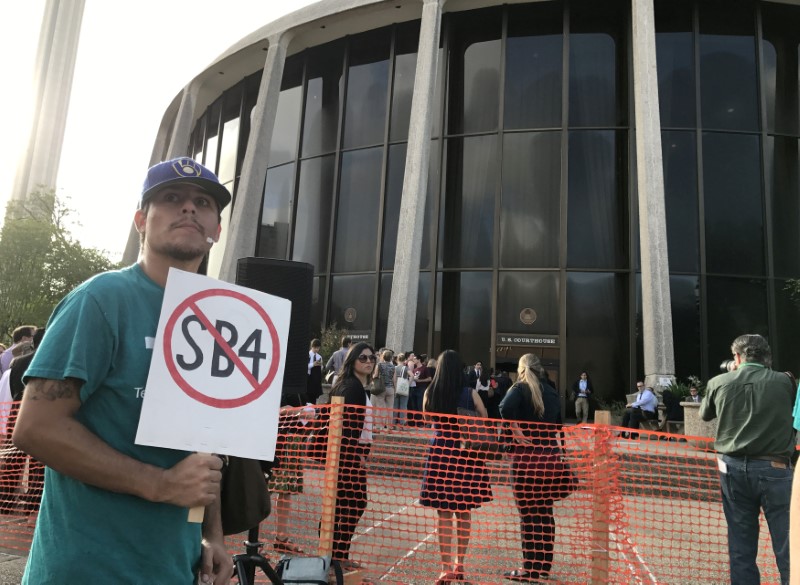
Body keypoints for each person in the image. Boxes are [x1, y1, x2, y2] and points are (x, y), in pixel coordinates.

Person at [12, 157, 232, 584]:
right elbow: (36, 427)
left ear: (217, 230)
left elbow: (205, 451)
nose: (189, 208)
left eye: (203, 202)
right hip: (86, 571)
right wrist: (161, 484)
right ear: (141, 221)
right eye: (171, 198)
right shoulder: (100, 299)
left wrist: (213, 535)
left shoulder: (218, 318)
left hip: (173, 569)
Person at [701, 334, 794, 585]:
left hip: (731, 468)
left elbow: (705, 414)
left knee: (741, 543)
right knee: (788, 544)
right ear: (767, 358)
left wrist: (733, 373)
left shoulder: (719, 381)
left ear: (737, 357)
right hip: (775, 468)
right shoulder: (786, 382)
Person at [420, 350, 492, 585]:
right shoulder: (469, 393)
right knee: (463, 510)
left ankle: (444, 567)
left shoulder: (431, 391)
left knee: (443, 512)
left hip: (441, 449)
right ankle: (460, 564)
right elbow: (484, 416)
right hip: (465, 452)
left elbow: (425, 418)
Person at [499, 353, 565, 582]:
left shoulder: (519, 389)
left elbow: (504, 407)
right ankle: (543, 567)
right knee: (545, 513)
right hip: (550, 460)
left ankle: (530, 568)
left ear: (521, 369)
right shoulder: (553, 392)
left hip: (526, 461)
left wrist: (514, 427)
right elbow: (558, 424)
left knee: (528, 515)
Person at [328, 341, 376, 571]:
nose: (368, 361)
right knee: (353, 503)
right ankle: (336, 556)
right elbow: (347, 426)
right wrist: (357, 454)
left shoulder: (352, 385)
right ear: (352, 360)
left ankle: (336, 555)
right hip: (346, 455)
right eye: (363, 358)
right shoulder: (351, 387)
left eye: (371, 358)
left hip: (345, 453)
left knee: (341, 504)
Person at [270, 403, 315, 555]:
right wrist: (296, 411)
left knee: (286, 491)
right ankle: (255, 542)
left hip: (294, 441)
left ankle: (281, 538)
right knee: (264, 490)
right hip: (277, 440)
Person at [371, 350, 395, 431]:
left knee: (379, 408)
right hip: (390, 388)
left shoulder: (379, 365)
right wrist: (394, 388)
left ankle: (378, 427)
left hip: (381, 388)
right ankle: (389, 428)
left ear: (383, 357)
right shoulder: (393, 367)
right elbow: (394, 379)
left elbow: (375, 375)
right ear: (391, 358)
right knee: (390, 408)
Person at [307, 338, 324, 404]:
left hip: (315, 380)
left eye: (318, 348)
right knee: (308, 397)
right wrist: (313, 364)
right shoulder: (308, 355)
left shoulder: (319, 356)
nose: (317, 349)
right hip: (308, 379)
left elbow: (321, 368)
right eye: (315, 348)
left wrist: (320, 365)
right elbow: (305, 367)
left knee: (314, 398)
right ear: (312, 347)